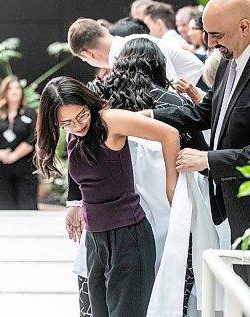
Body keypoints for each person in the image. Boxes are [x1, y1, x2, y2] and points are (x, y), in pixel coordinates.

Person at [143, 0, 250, 299]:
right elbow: (206, 112)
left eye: (215, 34)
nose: (208, 43)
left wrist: (206, 160)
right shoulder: (232, 58)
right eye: (206, 33)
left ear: (244, 26)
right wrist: (150, 115)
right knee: (242, 292)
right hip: (237, 203)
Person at [82, 38, 210, 317]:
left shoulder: (97, 98)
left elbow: (80, 146)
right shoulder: (173, 100)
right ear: (158, 65)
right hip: (167, 198)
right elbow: (200, 150)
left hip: (110, 200)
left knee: (109, 276)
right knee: (168, 270)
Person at [35, 76, 180, 317]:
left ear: (87, 103)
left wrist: (171, 185)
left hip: (128, 236)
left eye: (81, 115)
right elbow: (84, 172)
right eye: (67, 123)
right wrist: (75, 203)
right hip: (95, 239)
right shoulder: (75, 133)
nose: (77, 125)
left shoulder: (109, 119)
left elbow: (170, 134)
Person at [67, 18, 204, 86]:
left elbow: (170, 92)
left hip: (204, 98)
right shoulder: (126, 48)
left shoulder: (138, 47)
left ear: (87, 54)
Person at [0, 75, 38, 210]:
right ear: (4, 92)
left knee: (27, 203)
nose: (15, 91)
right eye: (10, 88)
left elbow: (33, 136)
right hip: (0, 166)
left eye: (17, 88)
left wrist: (14, 156)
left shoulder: (30, 113)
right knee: (5, 204)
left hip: (25, 165)